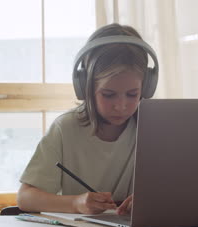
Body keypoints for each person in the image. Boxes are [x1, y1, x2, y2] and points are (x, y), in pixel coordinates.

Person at [17, 23, 158, 216]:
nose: (121, 105)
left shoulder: (154, 129)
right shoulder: (65, 129)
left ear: (147, 87)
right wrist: (76, 203)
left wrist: (151, 199)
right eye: (108, 94)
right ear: (85, 87)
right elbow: (25, 198)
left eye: (132, 94)